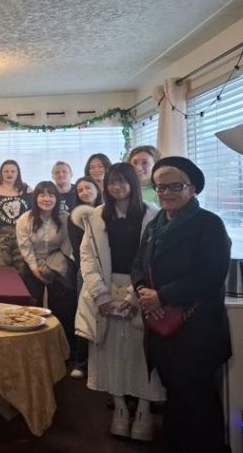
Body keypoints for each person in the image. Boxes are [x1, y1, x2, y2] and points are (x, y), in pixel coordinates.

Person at [132, 157, 232, 453]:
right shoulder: (155, 225)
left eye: (175, 186)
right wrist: (142, 290)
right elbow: (138, 264)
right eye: (160, 187)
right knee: (174, 400)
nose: (166, 193)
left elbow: (211, 276)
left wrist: (162, 295)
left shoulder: (209, 225)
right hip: (163, 330)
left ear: (193, 189)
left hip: (196, 331)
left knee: (198, 404)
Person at [76, 164, 165, 441]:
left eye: (122, 181)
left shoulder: (153, 215)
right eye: (112, 182)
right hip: (104, 288)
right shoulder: (95, 216)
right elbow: (87, 258)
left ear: (133, 183)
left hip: (141, 290)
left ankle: (144, 410)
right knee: (110, 351)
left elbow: (155, 260)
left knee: (141, 353)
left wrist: (134, 295)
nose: (116, 187)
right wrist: (100, 294)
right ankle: (120, 409)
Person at [16, 181, 75, 347]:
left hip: (58, 264)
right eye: (42, 194)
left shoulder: (65, 218)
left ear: (57, 198)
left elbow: (66, 247)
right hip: (32, 263)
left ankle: (60, 347)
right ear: (35, 198)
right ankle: (33, 345)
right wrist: (36, 270)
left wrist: (52, 267)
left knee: (61, 308)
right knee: (33, 307)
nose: (46, 199)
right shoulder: (25, 219)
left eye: (51, 194)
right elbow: (25, 247)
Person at [66, 176, 102, 379]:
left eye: (88, 188)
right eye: (79, 190)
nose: (84, 192)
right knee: (85, 314)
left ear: (97, 189)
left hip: (111, 272)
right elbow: (79, 251)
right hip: (85, 271)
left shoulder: (109, 212)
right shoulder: (75, 217)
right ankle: (81, 362)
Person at [0, 159, 32, 270]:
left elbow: (34, 215)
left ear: (18, 173)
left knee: (22, 273)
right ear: (1, 173)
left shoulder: (27, 191)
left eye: (13, 171)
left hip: (21, 238)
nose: (9, 174)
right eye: (6, 171)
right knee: (1, 274)